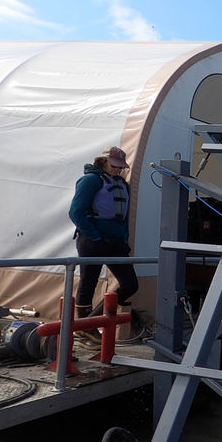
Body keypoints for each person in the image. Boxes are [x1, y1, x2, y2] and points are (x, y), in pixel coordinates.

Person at [68, 146, 138, 342]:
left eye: (121, 166)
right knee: (88, 283)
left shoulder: (122, 184)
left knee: (130, 284)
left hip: (115, 242)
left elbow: (124, 218)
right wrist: (95, 237)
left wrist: (124, 239)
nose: (118, 169)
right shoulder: (91, 180)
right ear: (104, 161)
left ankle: (89, 323)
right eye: (115, 165)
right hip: (93, 241)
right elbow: (76, 212)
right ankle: (85, 327)